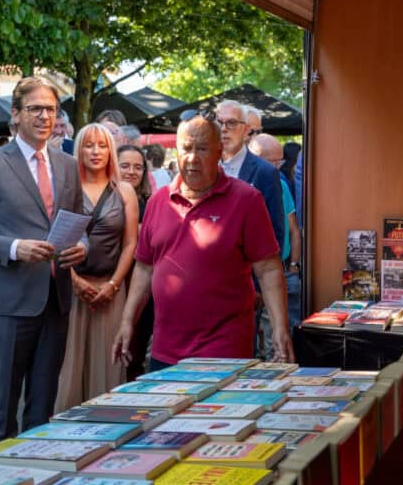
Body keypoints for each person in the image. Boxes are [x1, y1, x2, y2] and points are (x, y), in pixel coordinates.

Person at [111, 114, 295, 370]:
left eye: (202, 149)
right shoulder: (158, 201)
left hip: (225, 350)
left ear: (219, 151)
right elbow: (144, 268)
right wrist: (127, 321)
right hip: (166, 349)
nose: (193, 158)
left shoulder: (246, 200)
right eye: (186, 148)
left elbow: (268, 269)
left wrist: (279, 327)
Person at [0, 76, 87, 444]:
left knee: (42, 405)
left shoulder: (67, 165)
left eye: (50, 110)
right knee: (3, 404)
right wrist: (14, 248)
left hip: (56, 299)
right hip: (10, 300)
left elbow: (79, 221)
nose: (44, 117)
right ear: (16, 114)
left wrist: (82, 246)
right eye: (35, 109)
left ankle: (36, 465)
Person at [55, 123, 138, 411]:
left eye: (102, 145)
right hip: (72, 289)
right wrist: (75, 281)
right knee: (69, 367)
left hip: (110, 288)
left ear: (111, 150)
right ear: (79, 149)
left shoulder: (124, 191)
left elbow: (130, 244)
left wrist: (113, 285)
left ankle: (107, 424)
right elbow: (57, 241)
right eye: (89, 145)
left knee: (109, 363)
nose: (95, 151)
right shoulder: (66, 188)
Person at [250, 134, 302, 346]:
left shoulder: (280, 185)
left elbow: (293, 228)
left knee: (279, 335)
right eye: (273, 161)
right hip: (251, 273)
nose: (278, 167)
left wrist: (293, 265)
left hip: (280, 268)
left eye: (280, 162)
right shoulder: (244, 188)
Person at [215, 100, 284, 256]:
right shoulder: (204, 167)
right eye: (219, 122)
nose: (223, 129)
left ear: (246, 130)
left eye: (231, 123)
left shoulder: (266, 172)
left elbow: (275, 233)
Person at [116, 144, 154, 380]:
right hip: (113, 281)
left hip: (142, 286)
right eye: (125, 166)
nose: (131, 171)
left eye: (138, 167)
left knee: (135, 352)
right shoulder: (105, 200)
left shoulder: (152, 203)